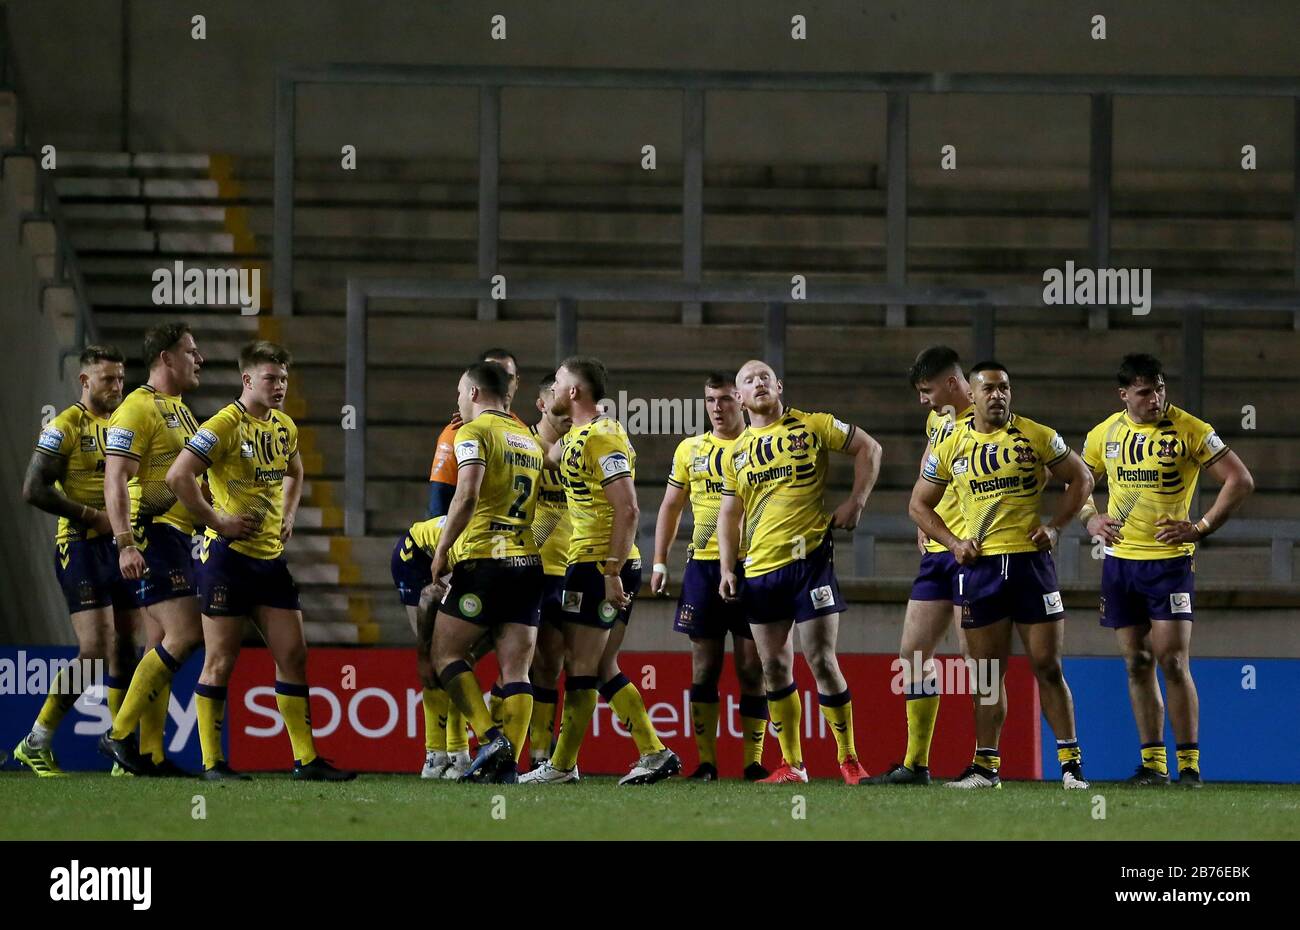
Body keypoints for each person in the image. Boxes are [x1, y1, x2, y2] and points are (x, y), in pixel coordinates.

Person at [166, 340, 355, 781]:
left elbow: (296, 470)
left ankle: (305, 761)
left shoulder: (284, 426)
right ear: (247, 379)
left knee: (294, 653)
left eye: (284, 379)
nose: (280, 386)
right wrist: (218, 520)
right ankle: (213, 763)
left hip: (269, 560)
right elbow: (178, 475)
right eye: (271, 378)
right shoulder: (223, 424)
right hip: (226, 559)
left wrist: (288, 515)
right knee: (221, 661)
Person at [910, 361, 1093, 789]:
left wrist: (1056, 526)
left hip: (1031, 565)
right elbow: (919, 504)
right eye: (988, 389)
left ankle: (1071, 765)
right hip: (982, 568)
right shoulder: (951, 443)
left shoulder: (1038, 435)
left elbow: (1081, 478)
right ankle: (987, 768)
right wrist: (954, 542)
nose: (997, 396)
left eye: (1004, 388)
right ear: (970, 396)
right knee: (988, 674)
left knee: (1048, 667)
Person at [1080, 353, 1254, 787]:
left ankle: (1190, 765)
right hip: (1120, 563)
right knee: (1136, 662)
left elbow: (1240, 480)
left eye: (1159, 389)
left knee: (1172, 660)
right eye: (1144, 392)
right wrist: (1090, 518)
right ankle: (1153, 765)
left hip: (1169, 564)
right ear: (1124, 395)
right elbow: (1078, 482)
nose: (1155, 398)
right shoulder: (1105, 434)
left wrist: (1199, 527)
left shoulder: (1191, 430)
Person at [717, 360, 883, 784]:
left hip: (809, 563)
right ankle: (793, 764)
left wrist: (857, 501)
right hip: (760, 569)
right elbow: (730, 513)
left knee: (822, 660)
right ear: (739, 397)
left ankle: (848, 759)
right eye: (748, 381)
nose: (758, 384)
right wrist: (727, 566)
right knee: (773, 667)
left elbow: (870, 447)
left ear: (779, 386)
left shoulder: (813, 425)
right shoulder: (735, 452)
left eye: (764, 377)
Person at [521, 356, 680, 785]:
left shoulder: (604, 435)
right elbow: (552, 456)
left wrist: (610, 571)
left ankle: (561, 766)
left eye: (557, 383)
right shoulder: (578, 435)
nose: (550, 390)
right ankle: (654, 751)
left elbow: (628, 508)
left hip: (599, 564)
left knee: (581, 665)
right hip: (591, 563)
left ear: (574, 391)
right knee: (603, 664)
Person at [14, 345, 133, 776]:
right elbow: (34, 488)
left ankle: (122, 748)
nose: (117, 387)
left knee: (126, 648)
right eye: (108, 379)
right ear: (85, 381)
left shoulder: (125, 424)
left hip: (121, 545)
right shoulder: (64, 426)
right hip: (80, 546)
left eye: (121, 378)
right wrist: (90, 516)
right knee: (97, 651)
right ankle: (36, 740)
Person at [98, 323, 207, 776]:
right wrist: (125, 543)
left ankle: (149, 755)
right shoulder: (136, 409)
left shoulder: (181, 412)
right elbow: (115, 478)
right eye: (190, 351)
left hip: (178, 537)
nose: (198, 359)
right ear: (165, 357)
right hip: (151, 533)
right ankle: (118, 734)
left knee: (158, 643)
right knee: (186, 635)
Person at [651, 372, 769, 781]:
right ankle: (707, 763)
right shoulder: (691, 449)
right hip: (702, 566)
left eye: (724, 399)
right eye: (709, 401)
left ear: (742, 400)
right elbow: (671, 505)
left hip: (753, 564)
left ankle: (753, 762)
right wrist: (660, 561)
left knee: (753, 668)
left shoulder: (759, 445)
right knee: (704, 668)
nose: (717, 408)